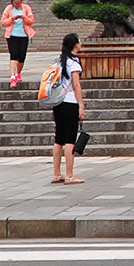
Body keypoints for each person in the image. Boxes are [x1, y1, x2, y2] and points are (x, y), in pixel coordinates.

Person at [50, 33, 85, 185]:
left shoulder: (59, 62)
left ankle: (57, 174)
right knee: (70, 139)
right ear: (76, 45)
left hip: (58, 102)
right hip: (70, 102)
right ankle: (69, 175)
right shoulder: (74, 63)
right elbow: (76, 85)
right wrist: (81, 105)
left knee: (59, 138)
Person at [0, 0, 35, 88]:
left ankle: (18, 73)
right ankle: (12, 76)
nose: (17, 5)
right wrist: (12, 18)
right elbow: (3, 22)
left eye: (19, 3)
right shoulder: (9, 9)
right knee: (14, 55)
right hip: (12, 35)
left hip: (23, 35)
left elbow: (31, 21)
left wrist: (24, 17)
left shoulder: (26, 8)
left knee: (22, 56)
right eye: (15, 3)